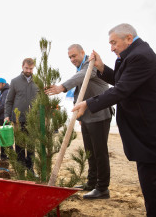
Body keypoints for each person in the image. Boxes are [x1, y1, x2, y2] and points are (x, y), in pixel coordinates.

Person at [72, 23, 156, 216]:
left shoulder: (140, 56)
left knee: (151, 182)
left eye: (114, 43)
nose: (111, 47)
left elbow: (122, 90)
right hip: (149, 127)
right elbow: (123, 81)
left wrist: (88, 103)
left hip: (149, 129)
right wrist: (101, 67)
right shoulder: (134, 55)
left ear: (129, 38)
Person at [45, 44, 112, 198]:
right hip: (87, 116)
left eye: (74, 56)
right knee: (90, 152)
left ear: (83, 52)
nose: (72, 59)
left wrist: (62, 87)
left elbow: (81, 77)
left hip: (100, 115)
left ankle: (102, 188)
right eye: (69, 57)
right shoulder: (80, 68)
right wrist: (80, 117)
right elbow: (80, 94)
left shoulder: (91, 64)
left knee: (100, 152)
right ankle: (91, 182)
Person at [4, 58, 38, 173]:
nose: (28, 70)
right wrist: (7, 115)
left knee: (31, 146)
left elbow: (42, 100)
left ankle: (30, 169)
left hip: (33, 120)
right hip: (18, 119)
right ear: (22, 67)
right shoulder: (15, 81)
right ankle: (20, 170)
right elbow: (9, 101)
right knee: (19, 145)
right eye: (26, 68)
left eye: (31, 68)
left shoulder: (38, 81)